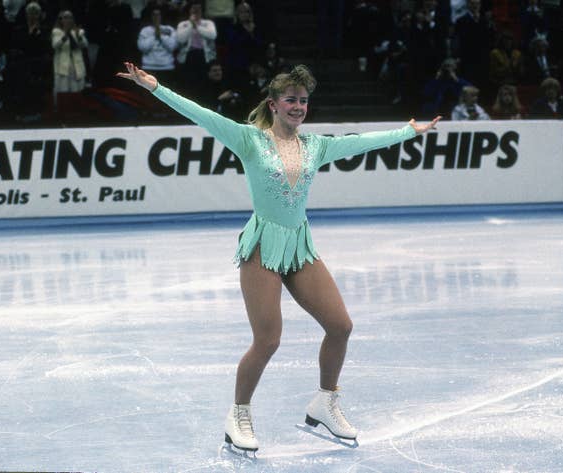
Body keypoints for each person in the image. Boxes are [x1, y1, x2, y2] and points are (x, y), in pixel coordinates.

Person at [116, 61, 441, 453]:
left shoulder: (315, 146)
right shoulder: (249, 140)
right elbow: (200, 114)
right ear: (273, 104)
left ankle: (325, 401)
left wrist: (408, 131)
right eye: (291, 99)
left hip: (299, 245)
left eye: (303, 101)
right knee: (268, 340)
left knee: (340, 326)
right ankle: (238, 414)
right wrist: (154, 87)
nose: (298, 106)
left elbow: (361, 141)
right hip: (262, 247)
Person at [175, 1, 217, 92]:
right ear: (190, 10)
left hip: (205, 56)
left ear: (202, 11)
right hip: (188, 56)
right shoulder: (183, 24)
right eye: (194, 8)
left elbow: (212, 35)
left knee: (204, 85)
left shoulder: (208, 23)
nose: (196, 11)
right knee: (189, 85)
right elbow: (181, 39)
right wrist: (191, 24)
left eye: (198, 9)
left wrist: (196, 26)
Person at [51, 9, 88, 104]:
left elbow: (85, 45)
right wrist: (65, 35)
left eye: (70, 17)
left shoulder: (78, 31)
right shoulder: (56, 32)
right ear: (61, 20)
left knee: (76, 90)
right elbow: (55, 45)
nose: (68, 20)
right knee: (63, 90)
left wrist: (78, 36)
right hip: (63, 65)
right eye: (65, 18)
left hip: (76, 64)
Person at [137, 8, 177, 88]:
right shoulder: (145, 31)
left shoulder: (169, 29)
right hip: (149, 67)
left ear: (162, 16)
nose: (156, 17)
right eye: (154, 15)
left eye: (158, 15)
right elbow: (143, 48)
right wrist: (155, 35)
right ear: (151, 16)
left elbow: (172, 47)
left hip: (167, 67)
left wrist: (160, 36)